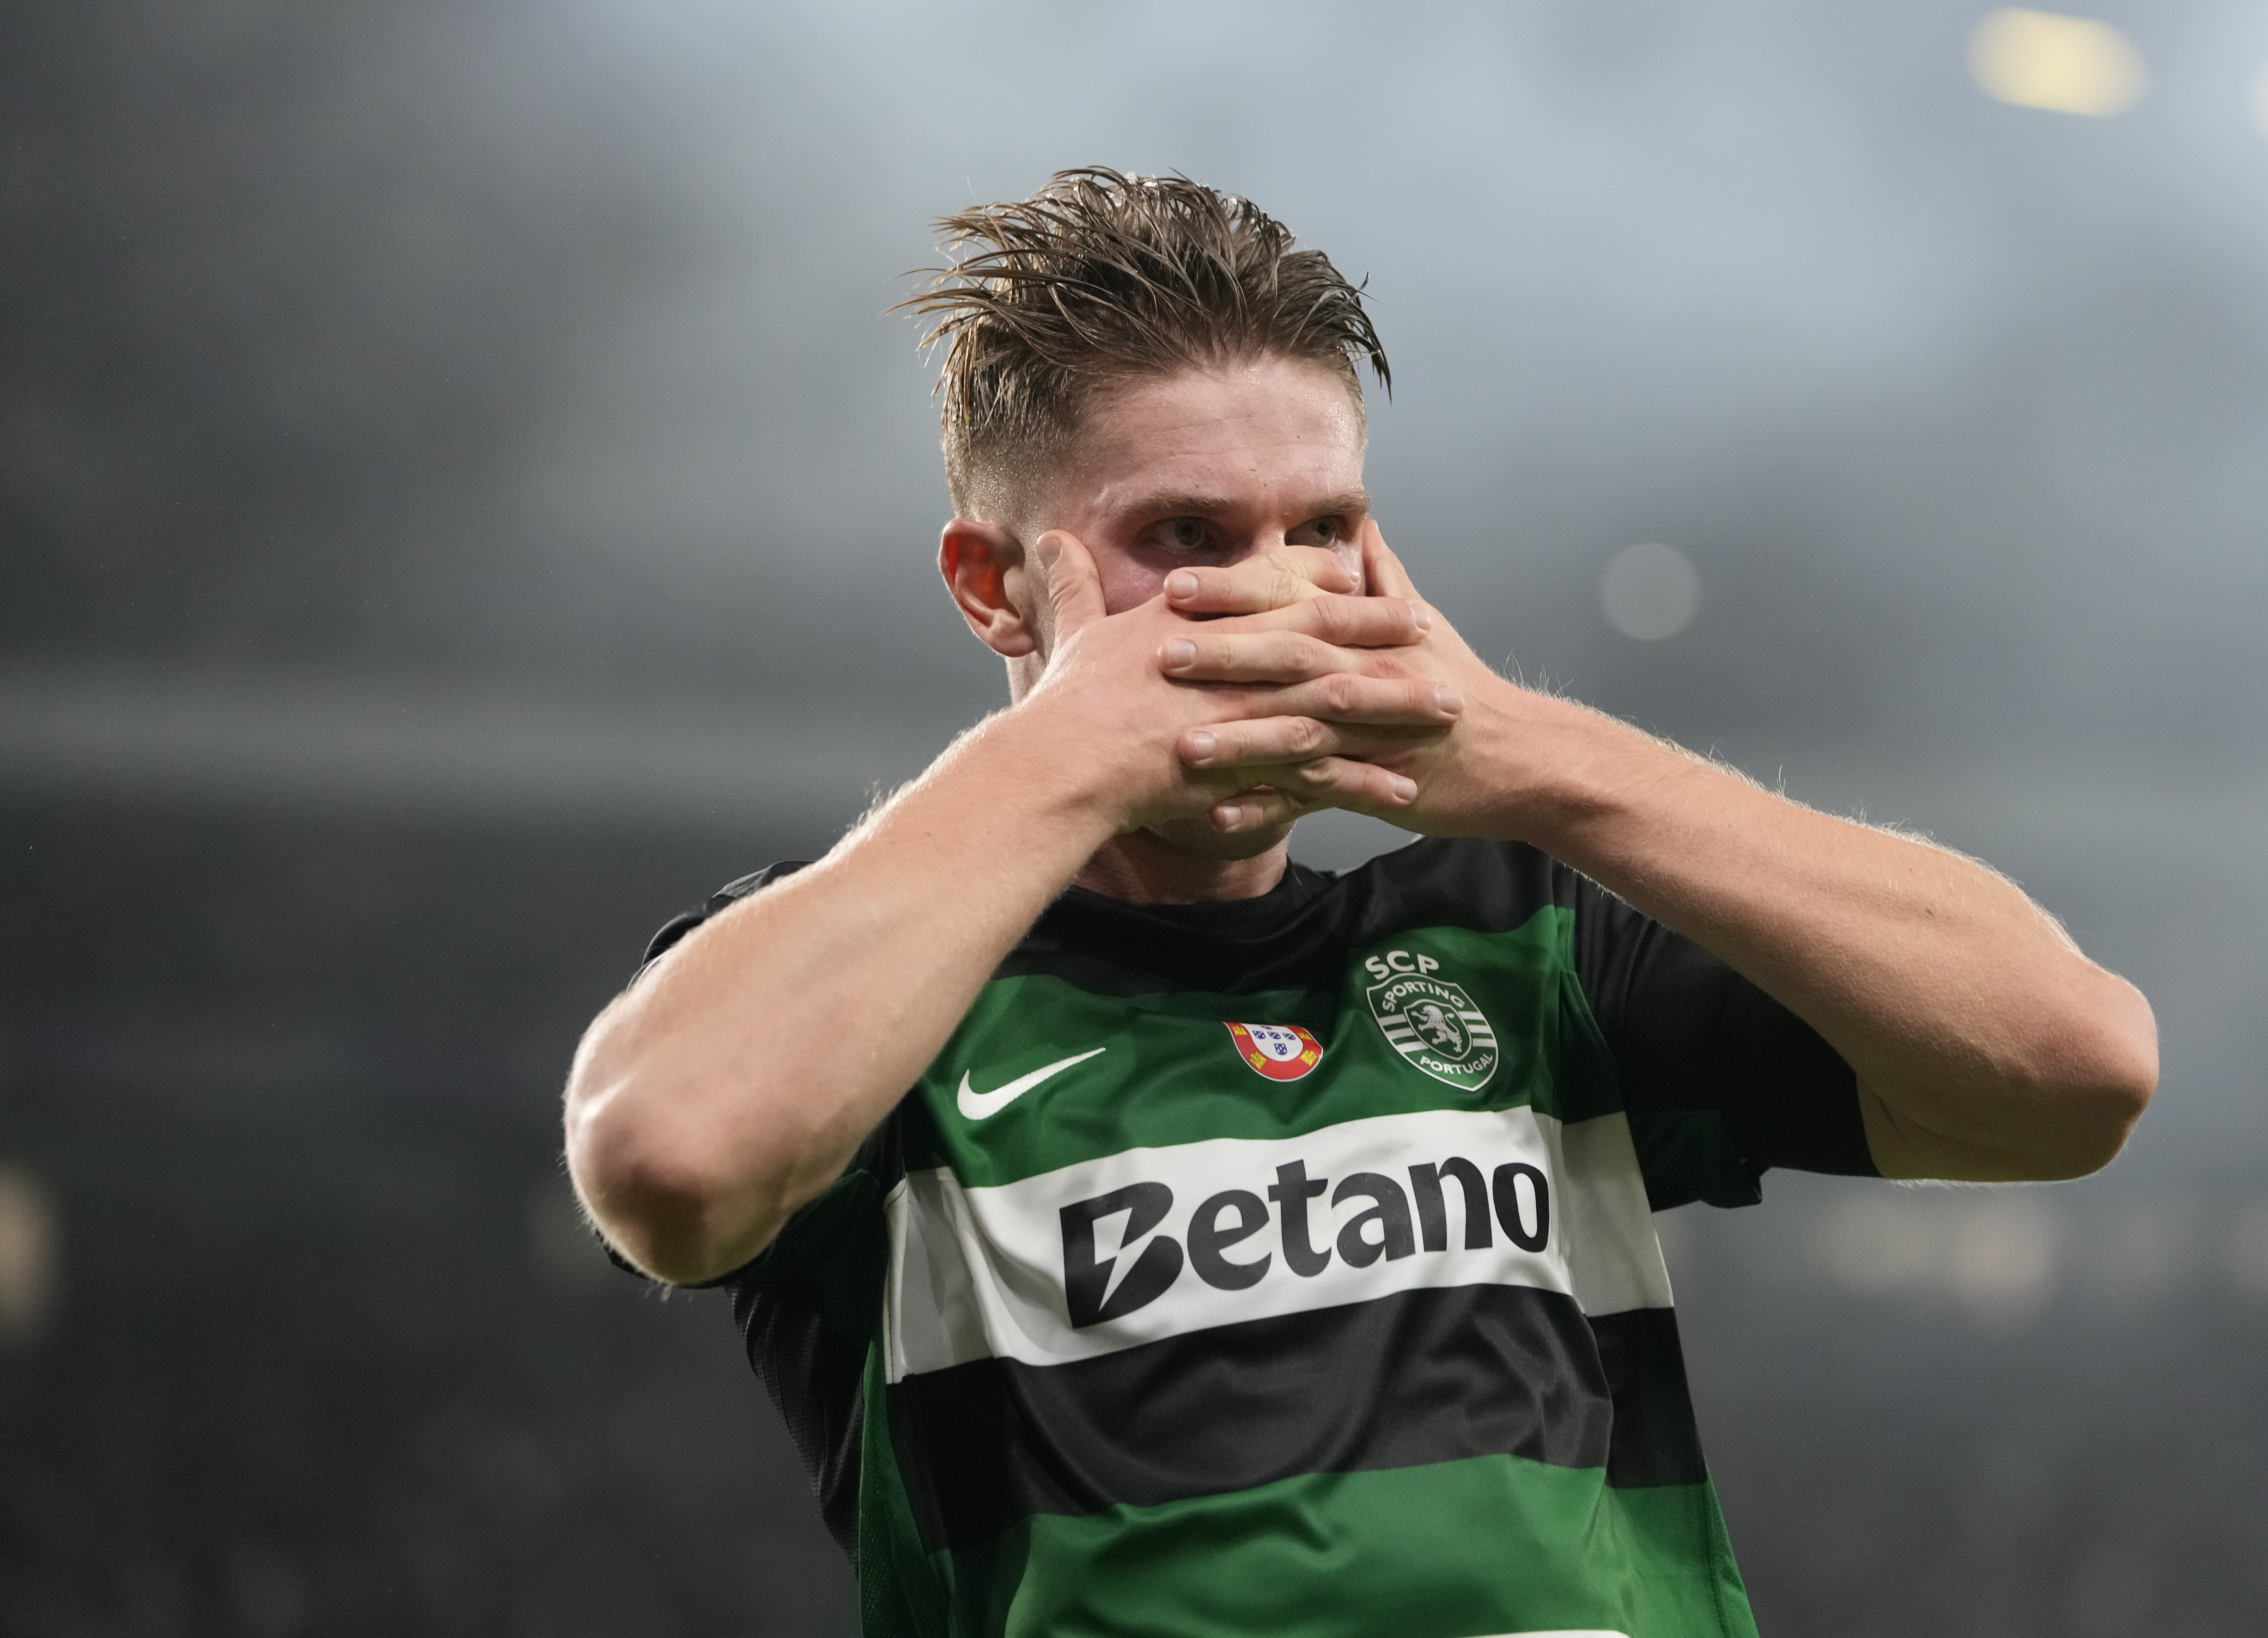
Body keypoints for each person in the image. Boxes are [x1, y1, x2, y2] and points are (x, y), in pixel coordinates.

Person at [563, 168, 2157, 1638]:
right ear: (996, 588)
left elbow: (2071, 1070)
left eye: (1320, 531)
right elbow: (669, 1162)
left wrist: (1539, 758)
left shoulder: (1527, 939)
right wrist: (1070, 748)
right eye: (1184, 541)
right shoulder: (882, 985)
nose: (1275, 596)